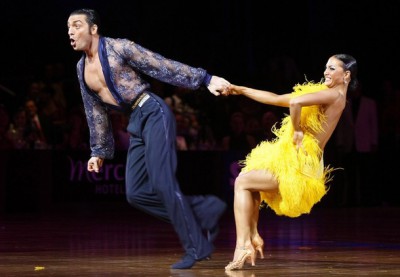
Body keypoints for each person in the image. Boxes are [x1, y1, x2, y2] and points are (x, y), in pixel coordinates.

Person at [67, 8, 228, 269]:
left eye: (76, 25)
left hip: (153, 112)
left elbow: (160, 65)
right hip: (136, 122)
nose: (71, 32)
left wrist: (205, 79)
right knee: (135, 192)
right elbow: (93, 109)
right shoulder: (81, 68)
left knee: (163, 182)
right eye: (68, 28)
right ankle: (202, 210)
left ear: (94, 29)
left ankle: (196, 246)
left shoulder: (119, 48)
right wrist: (98, 151)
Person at [222, 54, 358, 270]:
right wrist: (240, 89)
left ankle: (243, 246)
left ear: (346, 75)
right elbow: (276, 99)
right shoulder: (328, 95)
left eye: (332, 68)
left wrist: (296, 130)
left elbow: (295, 102)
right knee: (250, 183)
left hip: (300, 165)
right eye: (326, 67)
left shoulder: (333, 95)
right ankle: (253, 236)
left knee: (242, 182)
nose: (326, 72)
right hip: (302, 161)